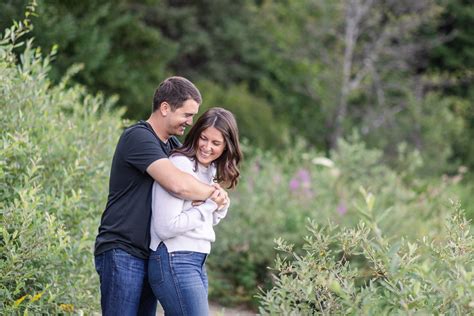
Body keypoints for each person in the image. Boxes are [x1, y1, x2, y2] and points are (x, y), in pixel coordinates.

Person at [94, 77, 228, 316]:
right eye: (187, 114)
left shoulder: (172, 147)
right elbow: (177, 184)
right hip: (123, 249)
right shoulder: (138, 137)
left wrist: (212, 196)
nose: (190, 122)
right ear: (165, 108)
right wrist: (213, 195)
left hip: (150, 253)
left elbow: (190, 182)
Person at [148, 107, 242, 315]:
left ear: (227, 146)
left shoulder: (210, 170)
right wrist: (209, 204)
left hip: (195, 260)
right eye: (204, 138)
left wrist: (220, 205)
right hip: (174, 257)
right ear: (196, 134)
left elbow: (205, 220)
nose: (207, 147)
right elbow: (165, 227)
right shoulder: (180, 164)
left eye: (216, 143)